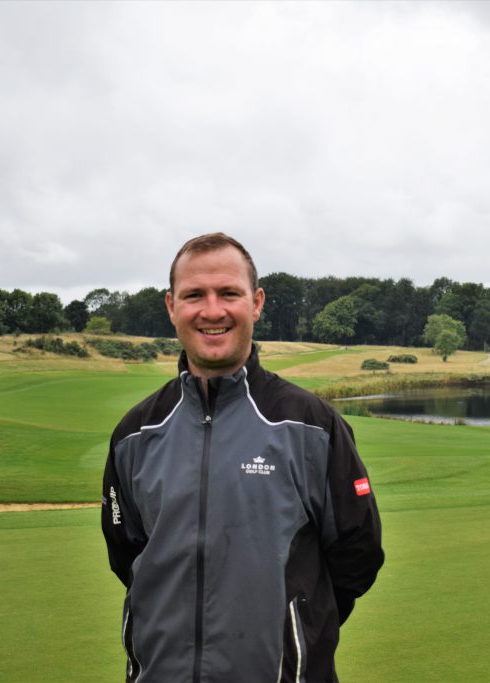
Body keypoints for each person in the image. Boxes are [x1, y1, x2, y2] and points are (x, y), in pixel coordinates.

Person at [102, 232, 384, 683]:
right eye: (194, 295)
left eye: (229, 293)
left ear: (256, 303)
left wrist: (298, 628)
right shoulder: (135, 433)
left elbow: (357, 555)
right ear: (172, 306)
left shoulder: (312, 425)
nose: (212, 311)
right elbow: (127, 556)